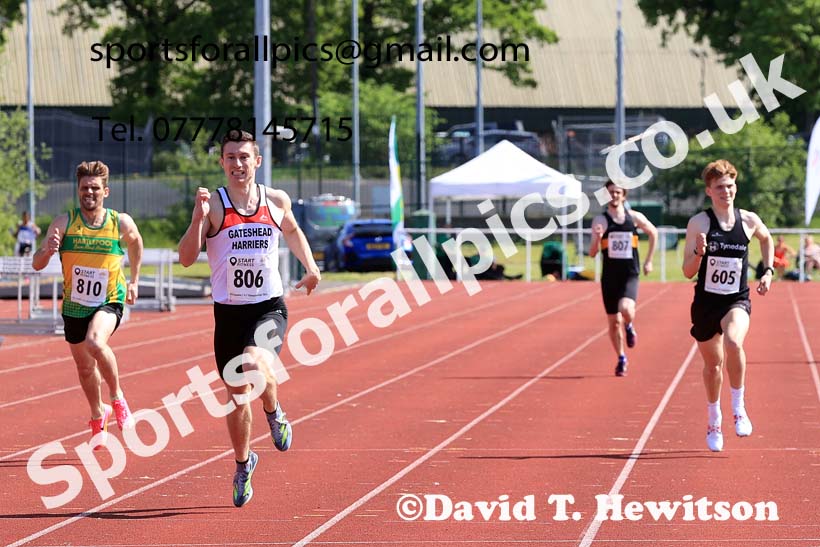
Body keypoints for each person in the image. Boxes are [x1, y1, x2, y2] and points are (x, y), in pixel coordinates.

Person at [178, 129, 321, 508]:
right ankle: (243, 463)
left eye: (244, 157)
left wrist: (311, 267)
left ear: (257, 161)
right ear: (222, 163)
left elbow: (292, 231)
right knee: (237, 396)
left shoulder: (275, 200)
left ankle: (274, 412)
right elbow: (186, 258)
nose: (238, 164)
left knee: (255, 365)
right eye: (230, 158)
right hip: (228, 313)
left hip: (268, 306)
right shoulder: (214, 207)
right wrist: (196, 219)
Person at [32, 161, 142, 448]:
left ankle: (118, 398)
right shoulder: (64, 223)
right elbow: (37, 263)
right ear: (78, 190)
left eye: (95, 188)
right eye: (84, 188)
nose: (89, 193)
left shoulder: (120, 222)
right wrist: (48, 249)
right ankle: (98, 413)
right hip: (74, 306)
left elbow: (136, 242)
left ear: (105, 191)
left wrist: (134, 281)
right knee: (84, 368)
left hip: (109, 300)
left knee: (95, 342)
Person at [682, 159, 773, 452]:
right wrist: (698, 252)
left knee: (734, 342)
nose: (727, 191)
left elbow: (766, 238)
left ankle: (738, 406)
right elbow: (687, 271)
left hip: (736, 299)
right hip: (706, 302)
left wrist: (768, 271)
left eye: (730, 186)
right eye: (720, 187)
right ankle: (714, 418)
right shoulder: (699, 223)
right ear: (709, 191)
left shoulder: (748, 220)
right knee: (713, 366)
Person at [589, 180, 657, 377]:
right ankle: (621, 357)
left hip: (630, 274)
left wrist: (648, 261)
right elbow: (592, 253)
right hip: (609, 277)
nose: (614, 195)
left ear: (624, 196)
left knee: (626, 309)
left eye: (618, 192)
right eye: (611, 192)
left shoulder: (633, 217)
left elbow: (653, 233)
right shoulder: (600, 221)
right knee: (613, 322)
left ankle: (629, 325)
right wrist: (597, 237)